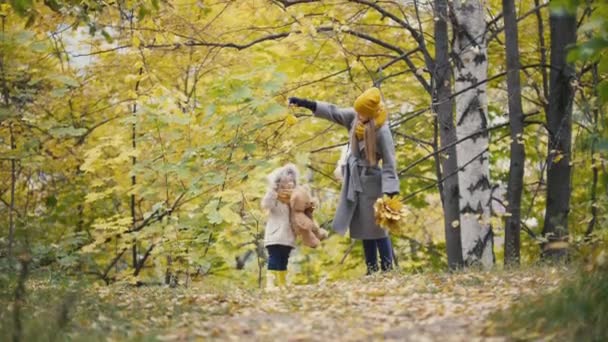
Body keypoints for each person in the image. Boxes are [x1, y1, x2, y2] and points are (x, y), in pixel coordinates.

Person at [289, 87, 399, 274]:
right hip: (355, 182)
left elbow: (390, 162)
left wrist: (391, 190)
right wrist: (306, 103)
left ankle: (388, 268)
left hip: (373, 183)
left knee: (378, 228)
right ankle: (371, 269)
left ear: (370, 114)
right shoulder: (355, 117)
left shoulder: (382, 131)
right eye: (357, 111)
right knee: (363, 228)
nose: (358, 114)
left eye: (362, 113)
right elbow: (334, 111)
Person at [261, 163, 298, 289]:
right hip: (275, 235)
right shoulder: (275, 198)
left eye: (291, 182)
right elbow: (266, 204)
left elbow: (303, 210)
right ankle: (270, 283)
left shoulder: (293, 199)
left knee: (284, 259)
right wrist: (272, 191)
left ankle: (282, 283)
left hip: (288, 236)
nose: (289, 185)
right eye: (286, 182)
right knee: (274, 257)